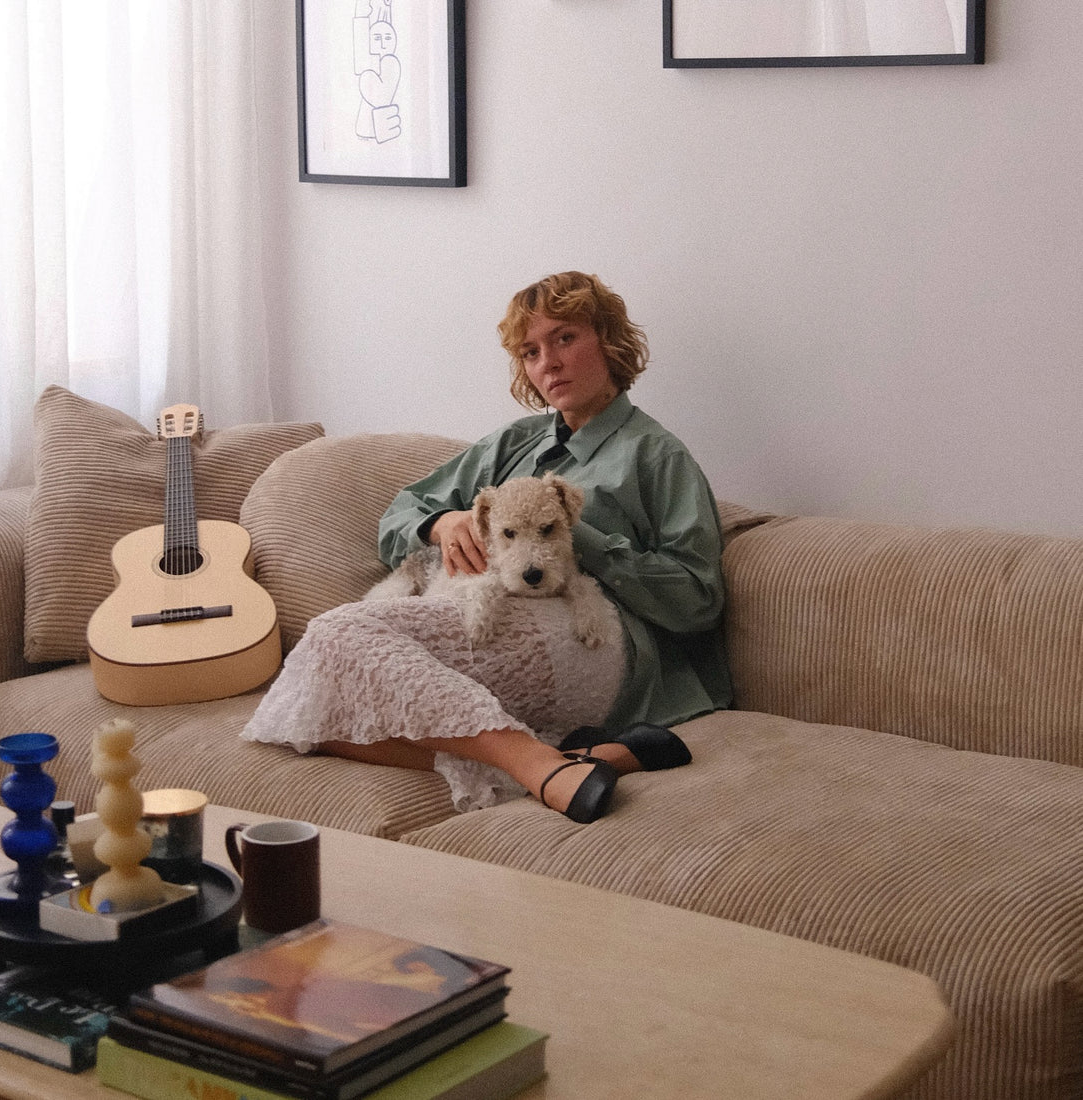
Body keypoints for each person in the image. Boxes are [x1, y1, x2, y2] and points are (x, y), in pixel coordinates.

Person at [241, 271, 732, 823]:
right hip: (495, 617)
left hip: (596, 636)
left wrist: (575, 538)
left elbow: (699, 601)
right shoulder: (515, 443)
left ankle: (533, 763)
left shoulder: (657, 455)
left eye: (565, 338)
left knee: (335, 635)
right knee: (305, 714)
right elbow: (398, 516)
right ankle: (574, 761)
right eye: (531, 352)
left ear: (608, 341)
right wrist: (442, 523)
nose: (549, 363)